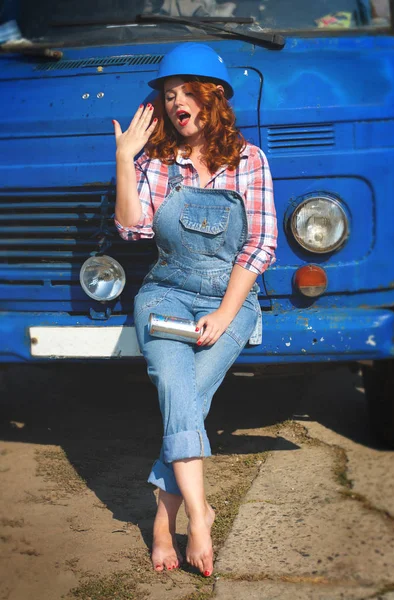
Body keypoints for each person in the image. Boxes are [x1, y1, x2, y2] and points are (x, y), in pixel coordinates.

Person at [113, 42, 277, 577]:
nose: (176, 101)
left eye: (187, 92)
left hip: (229, 299)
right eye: (168, 94)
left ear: (214, 99)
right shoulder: (155, 164)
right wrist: (123, 159)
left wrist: (226, 315)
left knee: (186, 394)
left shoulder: (250, 161)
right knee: (173, 381)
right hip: (166, 295)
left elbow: (260, 248)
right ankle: (199, 518)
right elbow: (132, 227)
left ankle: (164, 521)